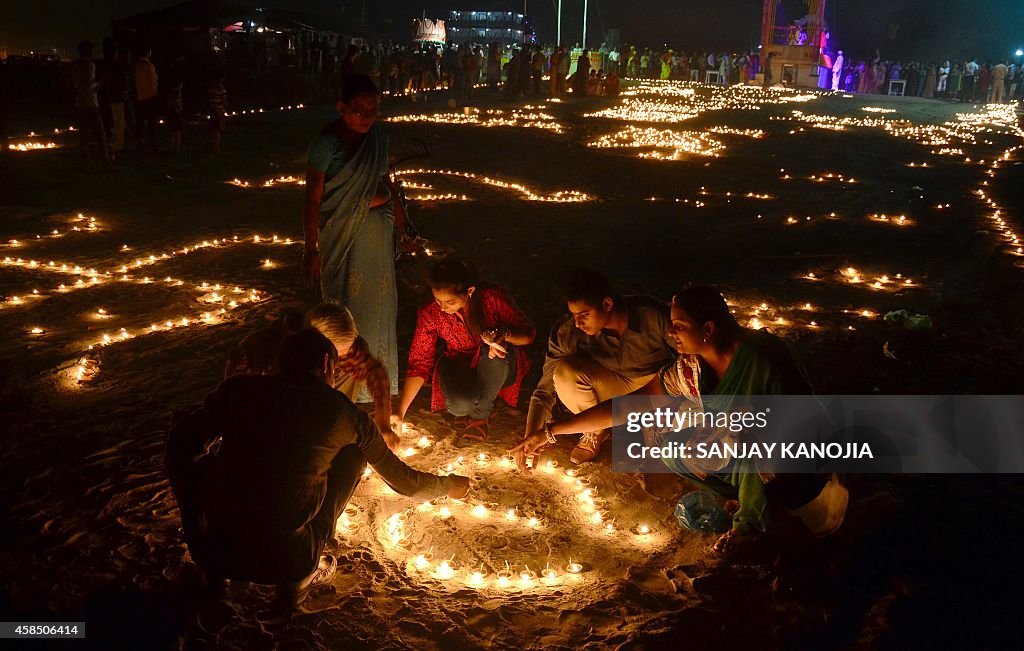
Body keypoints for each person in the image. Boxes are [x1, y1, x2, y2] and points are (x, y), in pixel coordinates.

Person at [511, 287, 847, 557]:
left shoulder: (761, 357)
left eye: (680, 326)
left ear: (709, 329)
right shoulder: (691, 369)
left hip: (799, 454)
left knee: (744, 441)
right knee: (671, 444)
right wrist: (550, 432)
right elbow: (633, 404)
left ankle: (750, 526)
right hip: (750, 452)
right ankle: (748, 497)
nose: (671, 333)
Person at [167, 329, 470, 609]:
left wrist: (197, 505)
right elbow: (405, 482)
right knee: (352, 455)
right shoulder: (345, 412)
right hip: (289, 560)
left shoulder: (237, 389)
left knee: (196, 460)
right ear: (326, 363)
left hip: (211, 550)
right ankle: (298, 581)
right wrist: (446, 486)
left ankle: (218, 575)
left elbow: (180, 444)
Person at [302, 74, 411, 404]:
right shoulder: (326, 143)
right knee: (341, 304)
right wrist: (311, 249)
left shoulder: (378, 136)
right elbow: (313, 199)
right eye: (358, 111)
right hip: (339, 233)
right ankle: (337, 383)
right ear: (341, 107)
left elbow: (383, 179)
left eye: (373, 110)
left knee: (378, 302)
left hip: (376, 230)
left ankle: (372, 388)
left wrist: (401, 215)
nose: (365, 118)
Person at [522, 269, 675, 464]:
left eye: (584, 314)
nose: (578, 323)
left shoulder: (653, 316)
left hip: (656, 384)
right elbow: (544, 390)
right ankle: (595, 430)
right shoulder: (569, 333)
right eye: (574, 315)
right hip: (614, 383)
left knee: (664, 454)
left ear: (607, 304)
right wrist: (532, 434)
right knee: (565, 373)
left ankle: (649, 423)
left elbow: (690, 359)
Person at [395, 258, 534, 441]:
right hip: (459, 364)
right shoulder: (430, 312)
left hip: (499, 367)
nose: (443, 308)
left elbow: (528, 335)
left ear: (469, 291)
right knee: (459, 407)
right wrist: (399, 412)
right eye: (438, 301)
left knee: (494, 351)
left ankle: (480, 416)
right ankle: (473, 406)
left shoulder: (491, 298)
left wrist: (503, 335)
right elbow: (420, 361)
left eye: (450, 302)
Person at [69, 40, 111, 166]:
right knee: (100, 132)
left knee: (84, 132)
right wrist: (100, 83)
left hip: (79, 102)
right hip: (91, 102)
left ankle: (85, 159)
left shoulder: (74, 65)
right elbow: (89, 85)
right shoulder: (90, 65)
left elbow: (72, 82)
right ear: (88, 51)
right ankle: (105, 160)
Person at [133, 44, 159, 152]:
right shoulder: (149, 66)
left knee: (140, 120)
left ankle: (139, 142)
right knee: (151, 121)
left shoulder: (136, 65)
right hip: (150, 96)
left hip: (139, 96)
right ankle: (152, 142)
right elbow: (153, 82)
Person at [207, 70, 227, 153]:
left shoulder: (211, 87)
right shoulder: (221, 88)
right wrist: (225, 108)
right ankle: (216, 147)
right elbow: (224, 99)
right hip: (218, 110)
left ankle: (213, 144)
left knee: (213, 128)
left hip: (212, 110)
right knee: (217, 129)